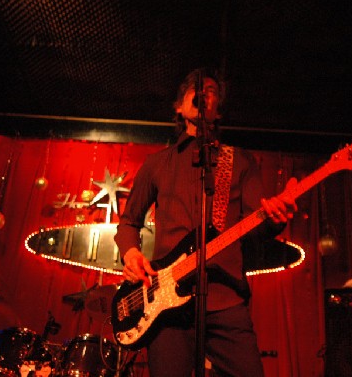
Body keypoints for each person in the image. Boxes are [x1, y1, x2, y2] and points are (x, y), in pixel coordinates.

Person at [114, 67, 298, 377]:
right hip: (165, 304)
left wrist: (276, 218)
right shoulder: (156, 163)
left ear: (218, 109)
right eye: (194, 89)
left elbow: (257, 228)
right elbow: (129, 222)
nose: (203, 93)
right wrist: (131, 253)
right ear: (179, 107)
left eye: (211, 90)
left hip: (226, 300)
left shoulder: (239, 161)